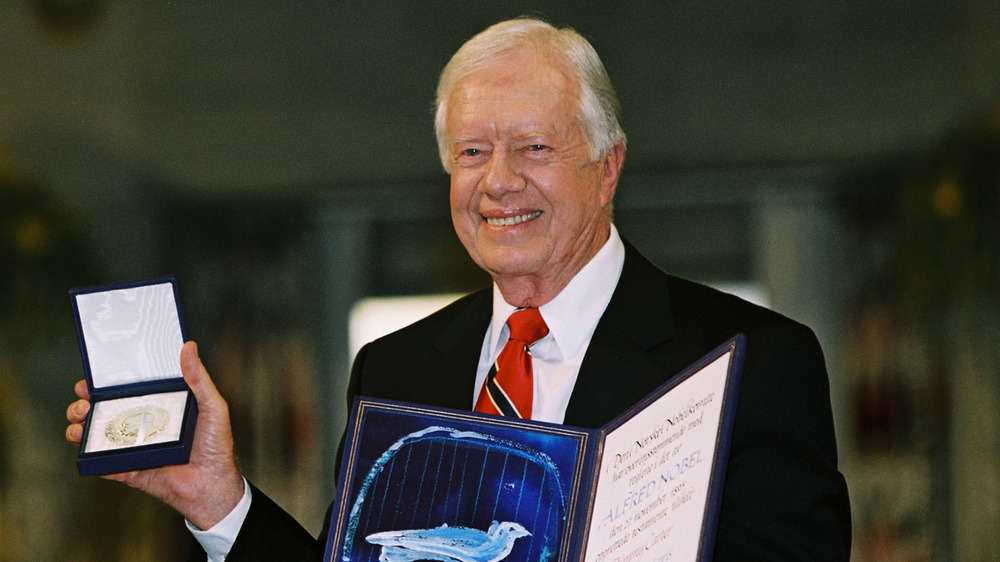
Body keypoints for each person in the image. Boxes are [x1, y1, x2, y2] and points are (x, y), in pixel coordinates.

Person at [66, 17, 851, 560]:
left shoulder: (746, 362)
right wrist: (218, 501)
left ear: (607, 167)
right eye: (472, 151)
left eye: (534, 147)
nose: (498, 183)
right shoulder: (395, 369)